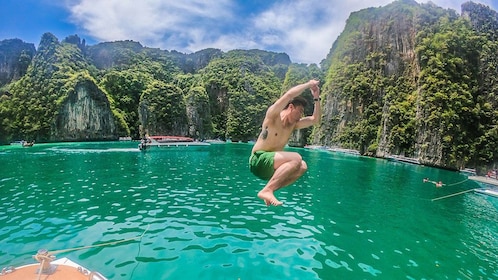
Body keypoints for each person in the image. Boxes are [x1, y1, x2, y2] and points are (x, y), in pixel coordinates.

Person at [249, 79, 321, 206]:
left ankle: (269, 190)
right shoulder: (273, 116)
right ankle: (268, 190)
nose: (301, 115)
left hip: (270, 168)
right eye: (299, 111)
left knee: (303, 166)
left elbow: (315, 120)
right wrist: (308, 85)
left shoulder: (292, 125)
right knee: (297, 158)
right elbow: (289, 95)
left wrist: (316, 98)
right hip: (258, 159)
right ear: (291, 107)